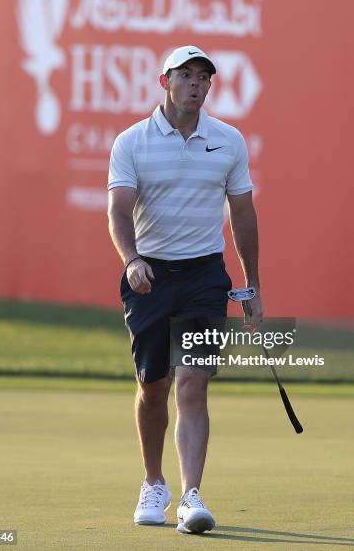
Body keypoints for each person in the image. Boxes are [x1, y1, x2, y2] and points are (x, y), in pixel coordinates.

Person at [107, 45, 263, 534]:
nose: (197, 83)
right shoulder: (131, 142)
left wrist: (252, 283)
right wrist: (132, 260)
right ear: (165, 82)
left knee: (193, 385)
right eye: (186, 75)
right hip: (150, 278)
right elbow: (118, 211)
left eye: (204, 77)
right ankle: (154, 483)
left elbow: (242, 215)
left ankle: (191, 496)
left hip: (204, 279)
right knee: (153, 388)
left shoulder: (229, 141)